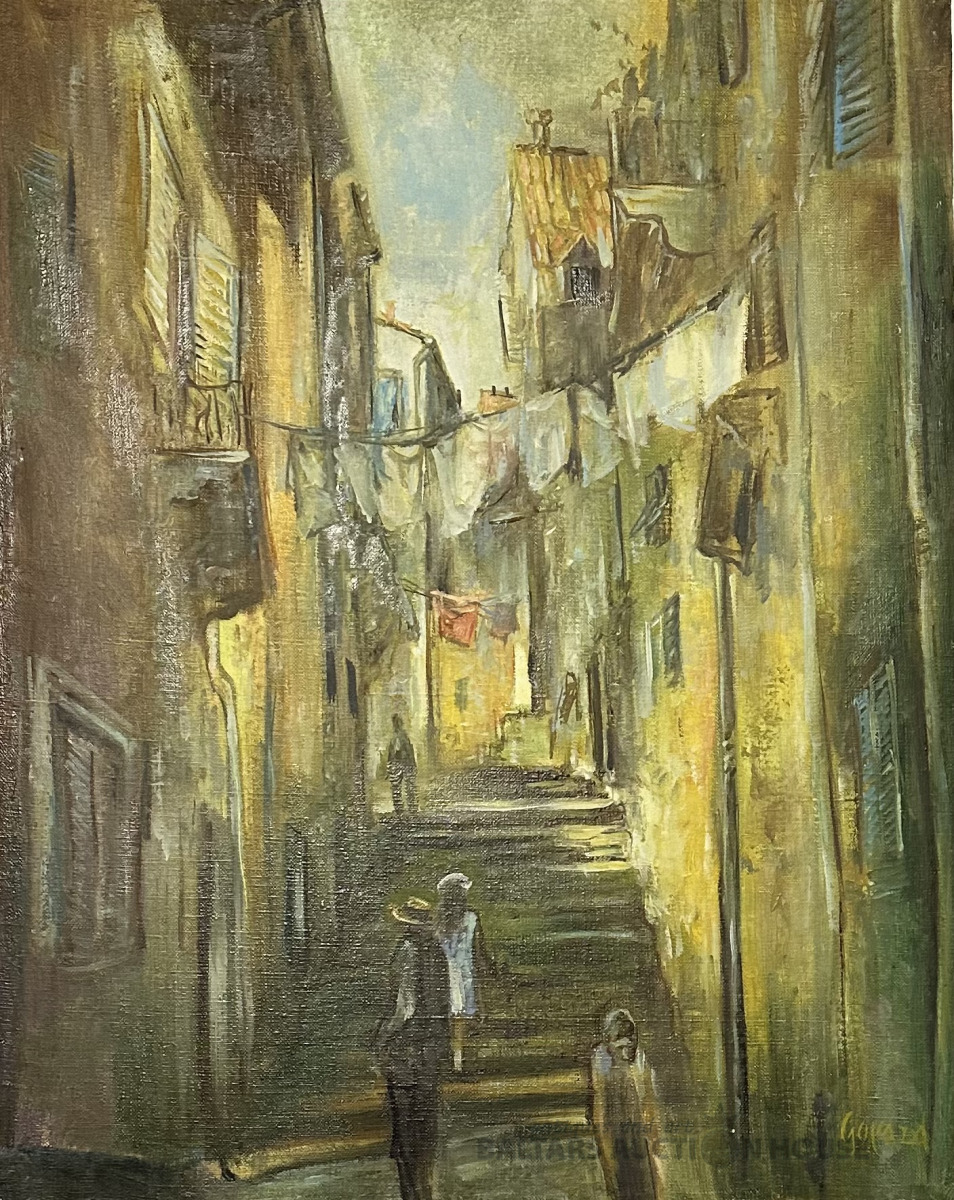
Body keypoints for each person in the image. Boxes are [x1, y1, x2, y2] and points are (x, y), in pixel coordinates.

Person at [375, 897, 450, 1200]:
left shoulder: (407, 951)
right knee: (425, 1129)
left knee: (406, 1132)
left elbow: (405, 1007)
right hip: (431, 1050)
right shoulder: (438, 953)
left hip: (406, 1052)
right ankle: (426, 1191)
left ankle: (412, 1194)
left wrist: (382, 1039)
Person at [588, 1008, 664, 1200]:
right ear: (608, 1040)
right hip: (615, 1127)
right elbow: (600, 1107)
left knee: (646, 1177)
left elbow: (648, 1098)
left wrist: (653, 1131)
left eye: (630, 1036)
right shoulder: (602, 1059)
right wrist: (605, 1146)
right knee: (619, 1179)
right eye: (620, 1037)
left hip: (637, 1127)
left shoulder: (639, 1059)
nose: (627, 1042)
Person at [435, 872, 493, 1073]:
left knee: (443, 1016)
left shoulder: (436, 920)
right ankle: (457, 1061)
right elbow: (479, 949)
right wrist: (488, 967)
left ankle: (445, 1059)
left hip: (441, 974)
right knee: (459, 1019)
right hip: (463, 972)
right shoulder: (471, 917)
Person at [387, 714, 417, 815]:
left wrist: (412, 763)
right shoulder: (395, 737)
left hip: (403, 763)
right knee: (397, 787)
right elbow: (391, 752)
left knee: (407, 786)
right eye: (395, 723)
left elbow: (408, 750)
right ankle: (400, 809)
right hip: (397, 763)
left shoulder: (402, 737)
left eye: (397, 723)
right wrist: (389, 765)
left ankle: (411, 807)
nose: (396, 725)